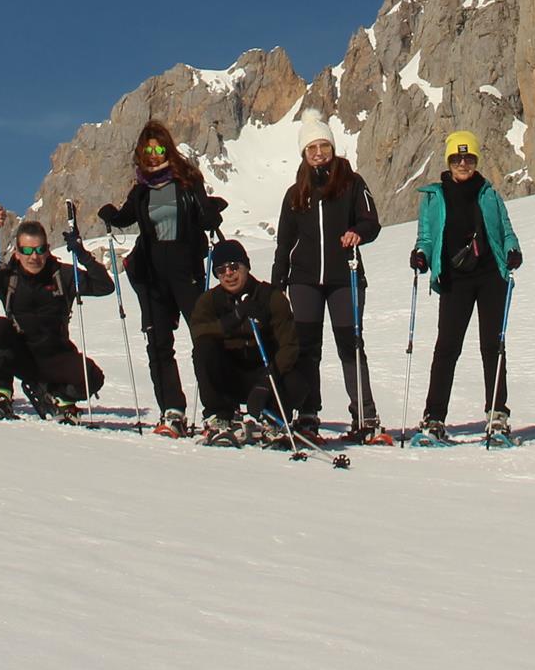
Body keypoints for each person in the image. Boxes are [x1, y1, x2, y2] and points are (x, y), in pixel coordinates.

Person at [96, 121, 225, 436]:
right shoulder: (140, 190)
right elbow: (127, 217)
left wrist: (211, 212)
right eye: (148, 149)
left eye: (158, 148)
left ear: (168, 148)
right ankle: (172, 410)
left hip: (185, 268)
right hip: (152, 271)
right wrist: (109, 214)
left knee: (205, 337)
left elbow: (202, 211)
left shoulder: (187, 181)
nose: (153, 155)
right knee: (158, 343)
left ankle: (217, 410)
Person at [269, 113, 384, 440]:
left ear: (332, 147)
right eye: (311, 148)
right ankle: (307, 415)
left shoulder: (351, 182)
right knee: (307, 347)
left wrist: (356, 232)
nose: (318, 152)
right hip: (304, 280)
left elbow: (371, 222)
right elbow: (284, 242)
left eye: (323, 146)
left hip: (343, 276)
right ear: (304, 153)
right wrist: (279, 281)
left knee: (351, 344)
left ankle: (365, 415)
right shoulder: (296, 193)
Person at [409, 129, 521, 443]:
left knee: (492, 346)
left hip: (490, 277)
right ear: (448, 160)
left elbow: (505, 228)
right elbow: (427, 236)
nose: (463, 163)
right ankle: (434, 416)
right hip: (454, 280)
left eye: (468, 158)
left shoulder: (488, 192)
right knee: (447, 348)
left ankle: (497, 413)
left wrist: (512, 249)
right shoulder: (434, 196)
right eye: (457, 158)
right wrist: (421, 254)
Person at [0, 210, 115, 419]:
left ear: (47, 250)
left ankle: (56, 396)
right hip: (20, 356)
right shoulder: (8, 278)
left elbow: (105, 286)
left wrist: (82, 254)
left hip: (55, 357)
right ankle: (0, 393)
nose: (33, 256)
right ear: (17, 253)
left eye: (39, 249)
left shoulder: (62, 276)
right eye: (27, 250)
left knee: (92, 377)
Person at [187, 240, 302, 444]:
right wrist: (234, 320)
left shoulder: (270, 297)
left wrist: (266, 383)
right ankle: (220, 417)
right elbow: (198, 331)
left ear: (246, 266)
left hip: (265, 373)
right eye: (221, 270)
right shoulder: (210, 300)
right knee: (204, 350)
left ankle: (274, 420)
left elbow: (289, 345)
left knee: (297, 381)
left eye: (234, 267)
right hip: (231, 374)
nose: (229, 274)